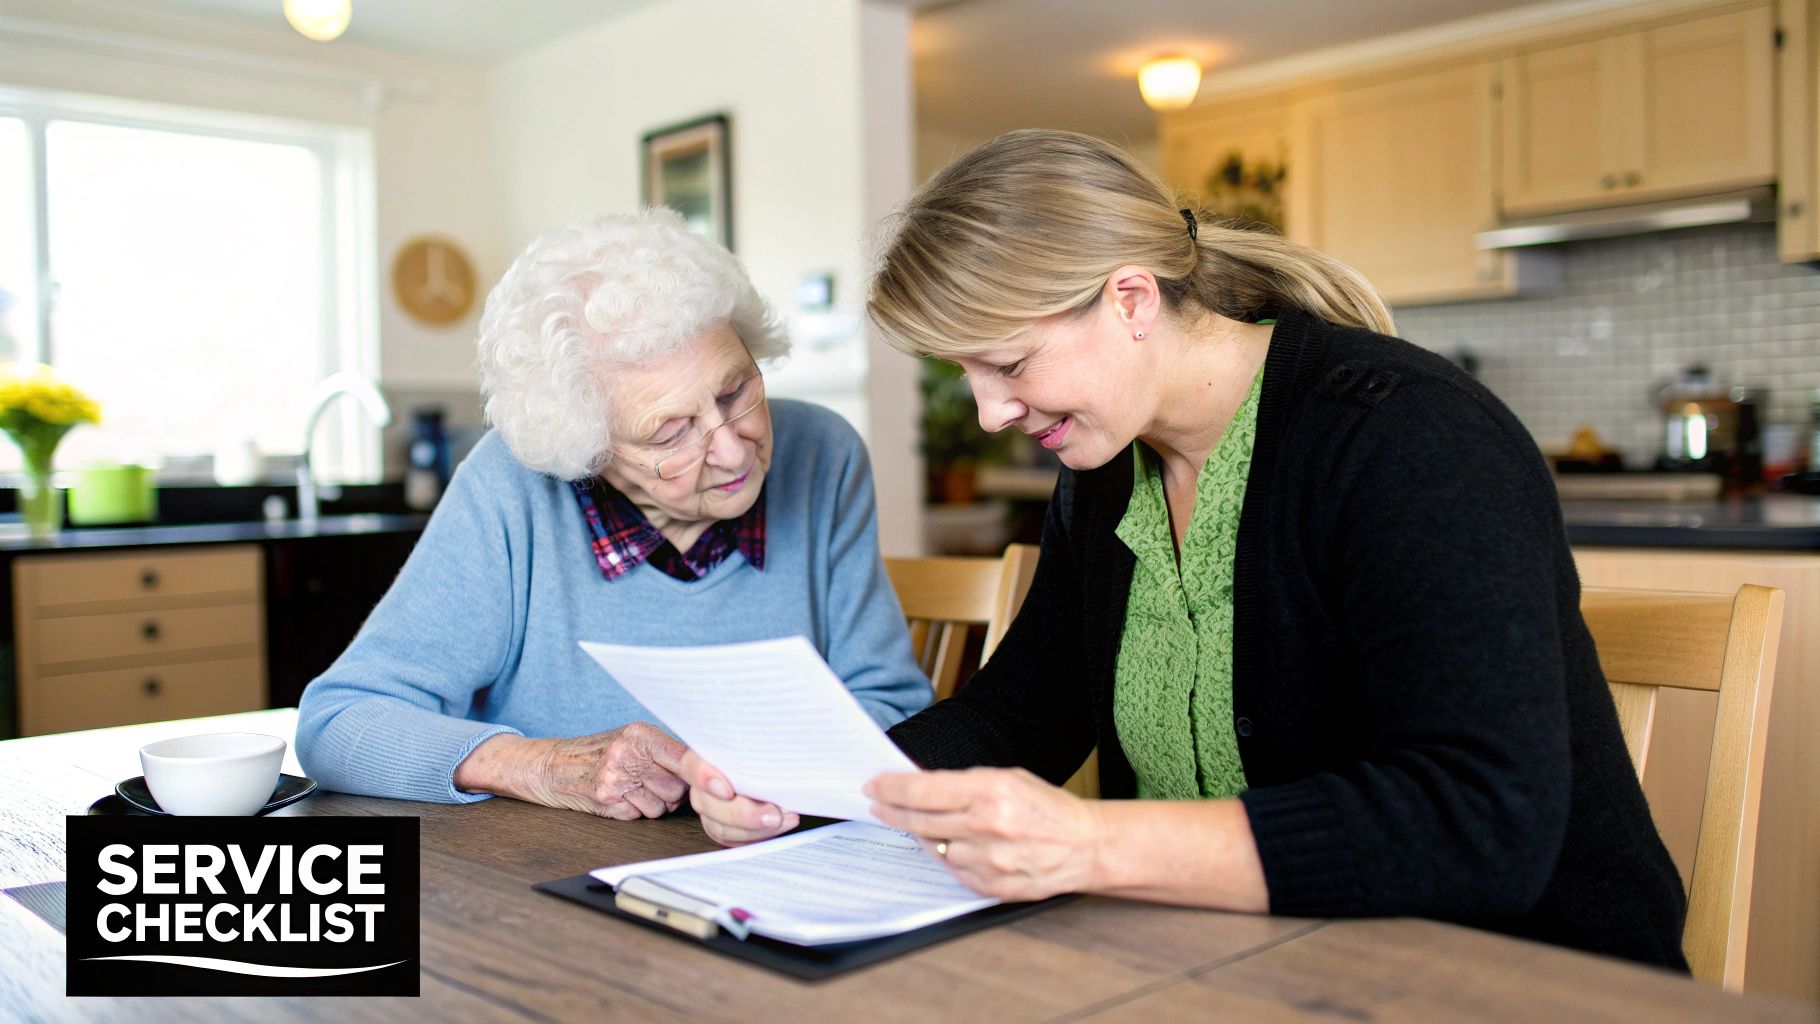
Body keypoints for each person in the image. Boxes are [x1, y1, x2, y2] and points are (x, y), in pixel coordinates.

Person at [683, 129, 1689, 970]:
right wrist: (808, 791)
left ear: (1129, 299)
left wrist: (1086, 842)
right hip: (1241, 965)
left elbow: (1477, 821)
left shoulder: (1407, 440)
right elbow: (1022, 710)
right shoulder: (1107, 463)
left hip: (1512, 973)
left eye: (1008, 363)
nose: (990, 412)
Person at [297, 208, 931, 819]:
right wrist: (539, 765)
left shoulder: (824, 452)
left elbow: (896, 706)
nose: (735, 447)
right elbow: (342, 722)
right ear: (590, 452)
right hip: (545, 880)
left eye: (735, 389)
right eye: (670, 433)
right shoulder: (512, 488)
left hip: (775, 865)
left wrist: (773, 782)